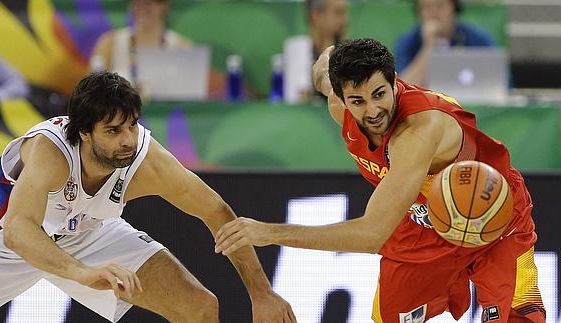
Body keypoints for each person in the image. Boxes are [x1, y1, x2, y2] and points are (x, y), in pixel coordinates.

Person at [215, 38, 546, 322]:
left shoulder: (418, 131)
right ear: (341, 100)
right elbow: (324, 69)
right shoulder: (338, 100)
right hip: (420, 219)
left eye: (380, 94)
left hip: (490, 214)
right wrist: (324, 66)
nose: (372, 110)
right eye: (358, 101)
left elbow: (372, 234)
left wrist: (269, 232)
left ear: (394, 81)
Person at [0, 71, 295, 322]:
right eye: (113, 131)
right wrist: (81, 272)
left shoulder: (146, 161)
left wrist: (261, 292)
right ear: (84, 132)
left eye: (132, 125)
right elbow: (19, 230)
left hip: (84, 232)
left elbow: (217, 212)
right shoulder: (51, 151)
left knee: (198, 308)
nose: (127, 141)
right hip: (2, 244)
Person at [90, 0, 225, 99]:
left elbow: (193, 97)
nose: (142, 8)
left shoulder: (182, 46)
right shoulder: (109, 43)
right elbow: (90, 92)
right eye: (137, 3)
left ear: (165, 6)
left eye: (149, 3)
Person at [394, 0, 497, 86]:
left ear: (454, 8)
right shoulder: (407, 41)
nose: (433, 14)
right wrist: (428, 46)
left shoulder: (478, 38)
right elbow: (403, 88)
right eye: (426, 7)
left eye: (440, 6)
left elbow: (498, 82)